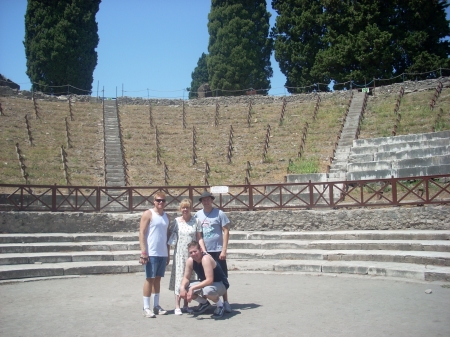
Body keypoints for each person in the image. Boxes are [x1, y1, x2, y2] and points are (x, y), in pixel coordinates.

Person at [168, 199, 207, 315]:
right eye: (183, 208)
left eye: (187, 207)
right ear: (180, 209)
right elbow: (171, 238)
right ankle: (177, 306)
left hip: (193, 255)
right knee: (179, 279)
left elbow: (199, 237)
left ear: (191, 208)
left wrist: (203, 251)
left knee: (189, 280)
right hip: (180, 255)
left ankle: (186, 305)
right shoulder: (176, 222)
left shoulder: (196, 221)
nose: (185, 210)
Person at [195, 191, 231, 313]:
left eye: (208, 199)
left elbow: (226, 231)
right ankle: (207, 302)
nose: (206, 202)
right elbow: (198, 234)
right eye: (204, 200)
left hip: (217, 250)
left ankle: (226, 302)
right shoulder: (197, 215)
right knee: (205, 276)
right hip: (204, 251)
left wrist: (224, 250)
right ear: (201, 202)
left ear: (212, 200)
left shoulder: (219, 213)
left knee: (222, 277)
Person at [139, 192, 170, 318]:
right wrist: (143, 252)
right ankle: (146, 307)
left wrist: (168, 253)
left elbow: (167, 236)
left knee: (158, 279)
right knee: (149, 279)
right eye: (158, 200)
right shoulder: (148, 213)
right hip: (151, 252)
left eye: (162, 200)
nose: (160, 202)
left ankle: (156, 305)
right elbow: (142, 232)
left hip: (162, 252)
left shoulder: (167, 216)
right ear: (154, 201)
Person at [179, 241, 230, 319]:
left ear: (201, 250)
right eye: (191, 252)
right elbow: (186, 278)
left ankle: (220, 306)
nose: (193, 254)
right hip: (207, 283)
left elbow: (210, 280)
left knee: (208, 290)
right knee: (184, 288)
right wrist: (182, 288)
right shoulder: (190, 261)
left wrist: (192, 288)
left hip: (220, 283)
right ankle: (204, 303)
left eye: (195, 251)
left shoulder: (205, 258)